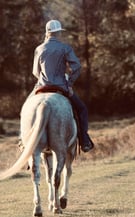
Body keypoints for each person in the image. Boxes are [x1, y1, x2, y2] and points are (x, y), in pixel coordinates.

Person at [30, 19, 94, 152]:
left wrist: (43, 79)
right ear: (58, 33)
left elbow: (35, 72)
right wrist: (69, 83)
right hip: (61, 87)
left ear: (47, 33)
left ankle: (23, 141)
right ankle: (84, 141)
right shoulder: (65, 48)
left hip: (41, 87)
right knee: (82, 109)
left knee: (27, 109)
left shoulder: (39, 49)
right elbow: (76, 67)